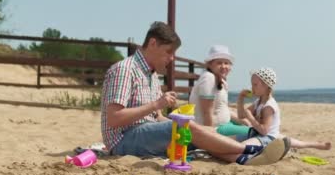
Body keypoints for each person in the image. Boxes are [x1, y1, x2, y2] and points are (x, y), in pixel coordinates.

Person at [100, 21, 290, 165]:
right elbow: (114, 118)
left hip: (144, 133)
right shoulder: (125, 70)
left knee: (203, 133)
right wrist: (157, 105)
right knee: (188, 130)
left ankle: (244, 159)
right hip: (124, 140)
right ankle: (251, 149)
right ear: (152, 43)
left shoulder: (150, 75)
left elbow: (156, 118)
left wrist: (196, 127)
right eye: (168, 52)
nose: (172, 58)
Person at [236, 67, 331, 151]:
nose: (252, 87)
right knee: (229, 141)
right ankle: (313, 144)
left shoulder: (268, 106)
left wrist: (250, 116)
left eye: (255, 84)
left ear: (265, 86)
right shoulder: (259, 101)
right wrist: (241, 98)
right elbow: (241, 115)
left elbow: (264, 131)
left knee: (237, 147)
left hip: (267, 138)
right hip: (259, 134)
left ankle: (315, 144)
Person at [189, 45, 250, 136]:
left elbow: (221, 108)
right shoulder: (208, 78)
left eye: (226, 63)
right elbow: (207, 112)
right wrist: (210, 137)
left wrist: (243, 121)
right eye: (219, 63)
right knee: (254, 133)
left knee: (252, 127)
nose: (223, 66)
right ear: (210, 64)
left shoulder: (221, 80)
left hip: (224, 124)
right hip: (216, 128)